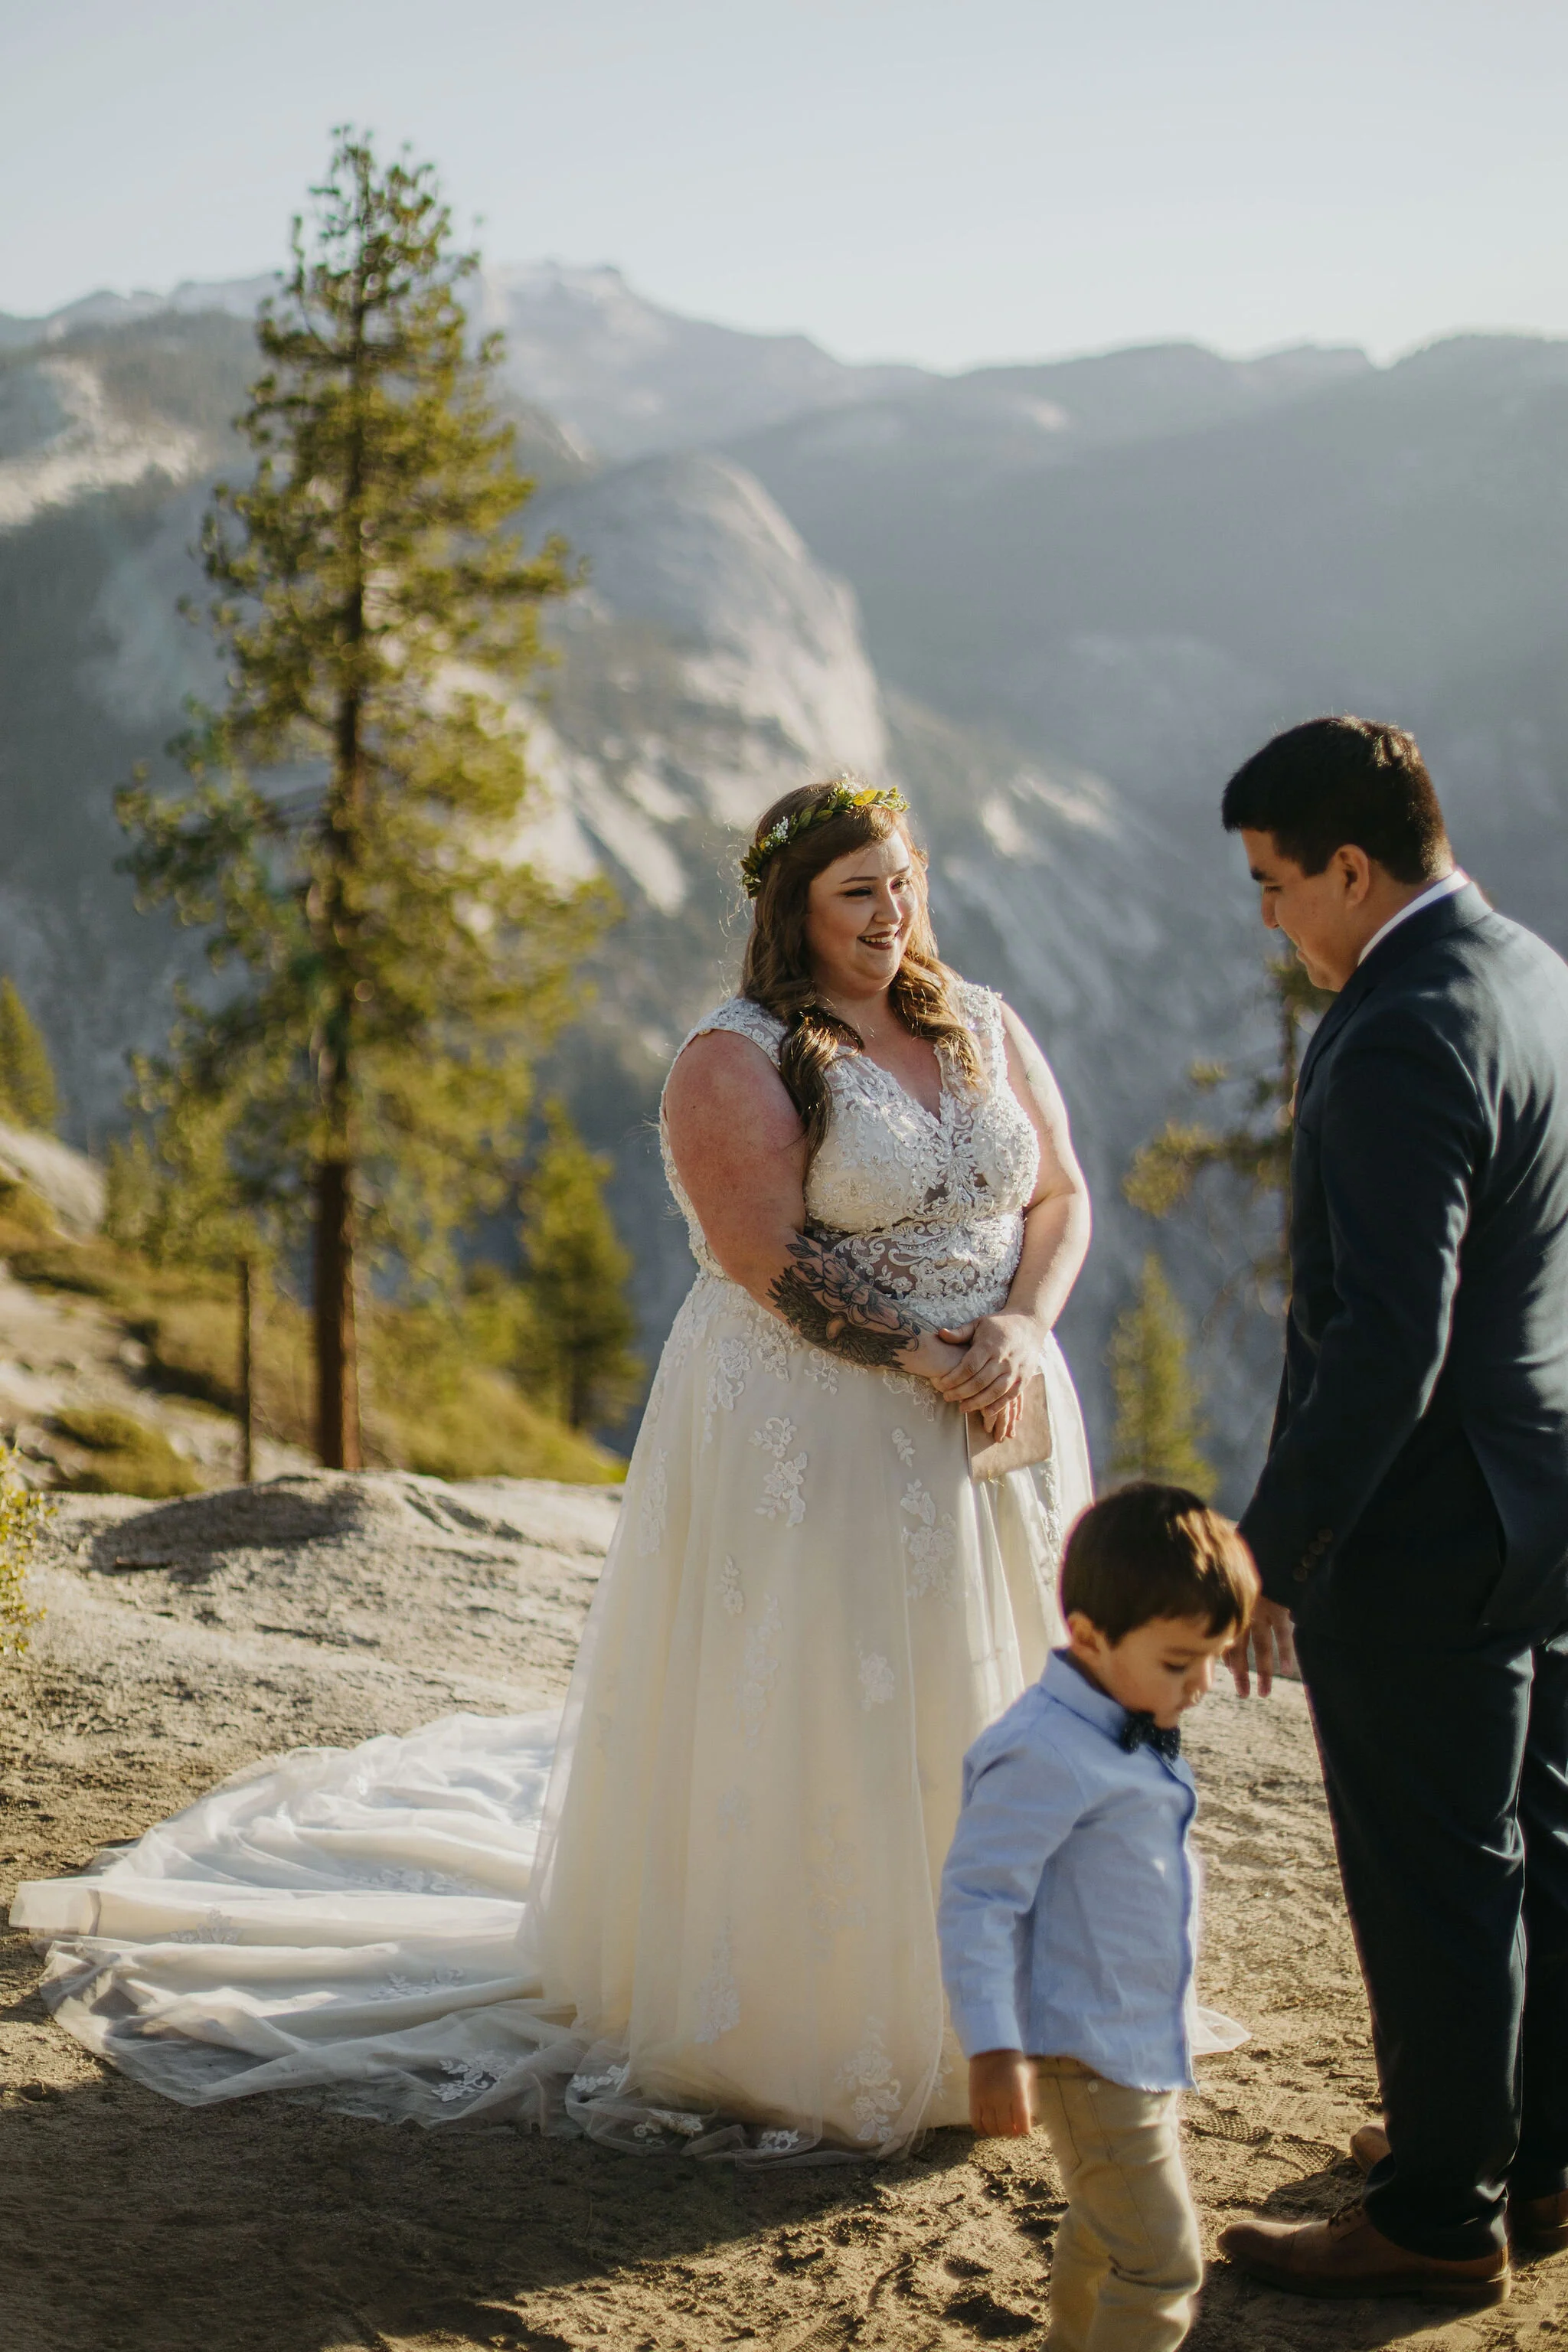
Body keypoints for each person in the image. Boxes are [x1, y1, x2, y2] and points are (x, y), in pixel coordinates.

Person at [12, 773, 1097, 2160]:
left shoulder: (982, 1022)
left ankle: (1005, 1998)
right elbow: (767, 1258)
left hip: (997, 1414)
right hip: (821, 1421)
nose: (892, 915)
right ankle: (822, 2008)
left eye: (903, 881)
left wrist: (1014, 1327)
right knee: (834, 1691)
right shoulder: (738, 1054)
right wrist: (921, 1357)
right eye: (856, 892)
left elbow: (1057, 1195)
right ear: (792, 907)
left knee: (987, 1685)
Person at [1215, 717, 1568, 2305]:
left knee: (1433, 1872)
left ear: (1352, 869)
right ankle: (1530, 2156)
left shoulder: (1395, 1029)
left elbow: (1384, 1342)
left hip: (1427, 1530)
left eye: (1277, 886)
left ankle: (1436, 2216)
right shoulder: (1529, 971)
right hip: (1542, 1491)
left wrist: (1265, 1548)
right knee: (1532, 1846)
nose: (1271, 920)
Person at [939, 1484, 1257, 2352]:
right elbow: (978, 1901)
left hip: (1137, 2042)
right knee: (1161, 2267)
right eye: (1177, 1662)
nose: (1196, 1689)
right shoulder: (1042, 1751)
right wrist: (993, 2046)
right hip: (1082, 2056)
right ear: (1087, 1636)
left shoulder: (1123, 1721)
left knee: (1101, 2227)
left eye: (1210, 1663)